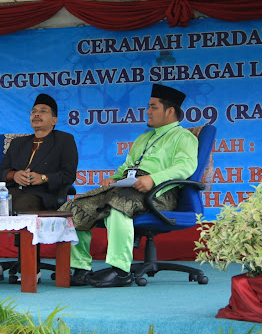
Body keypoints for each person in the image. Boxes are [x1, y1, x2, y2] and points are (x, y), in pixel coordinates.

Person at [59, 84, 198, 288]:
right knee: (76, 206)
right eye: (148, 106)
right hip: (128, 187)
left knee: (118, 204)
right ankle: (81, 269)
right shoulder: (144, 138)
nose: (147, 111)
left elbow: (185, 166)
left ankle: (121, 271)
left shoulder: (182, 136)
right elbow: (127, 166)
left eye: (153, 107)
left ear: (169, 111)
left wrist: (154, 179)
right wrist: (113, 178)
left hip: (159, 193)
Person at [0, 93, 78, 283]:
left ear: (54, 120)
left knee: (24, 208)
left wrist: (42, 178)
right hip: (10, 193)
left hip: (42, 195)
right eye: (34, 111)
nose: (37, 115)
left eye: (43, 111)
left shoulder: (64, 140)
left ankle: (31, 267)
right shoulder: (18, 143)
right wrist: (14, 175)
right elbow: (1, 173)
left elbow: (68, 175)